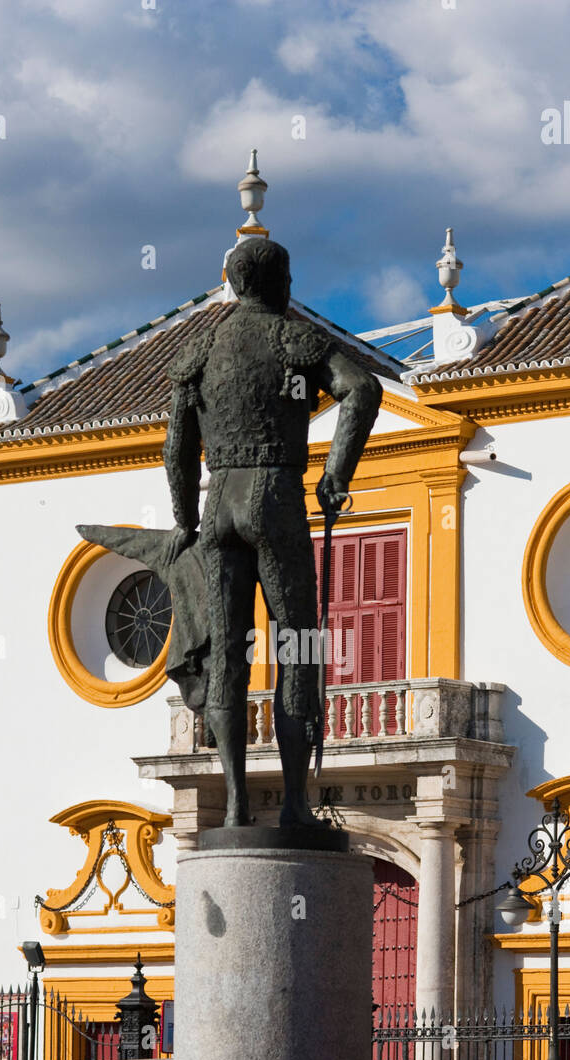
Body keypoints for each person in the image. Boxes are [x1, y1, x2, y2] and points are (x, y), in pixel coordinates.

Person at [163, 237, 382, 827]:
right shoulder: (291, 337)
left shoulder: (200, 349)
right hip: (274, 495)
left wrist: (185, 520)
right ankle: (292, 805)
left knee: (228, 656)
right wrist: (335, 475)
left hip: (218, 510)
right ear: (283, 285)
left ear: (234, 284)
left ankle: (235, 806)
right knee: (298, 647)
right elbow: (361, 389)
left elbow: (178, 447)